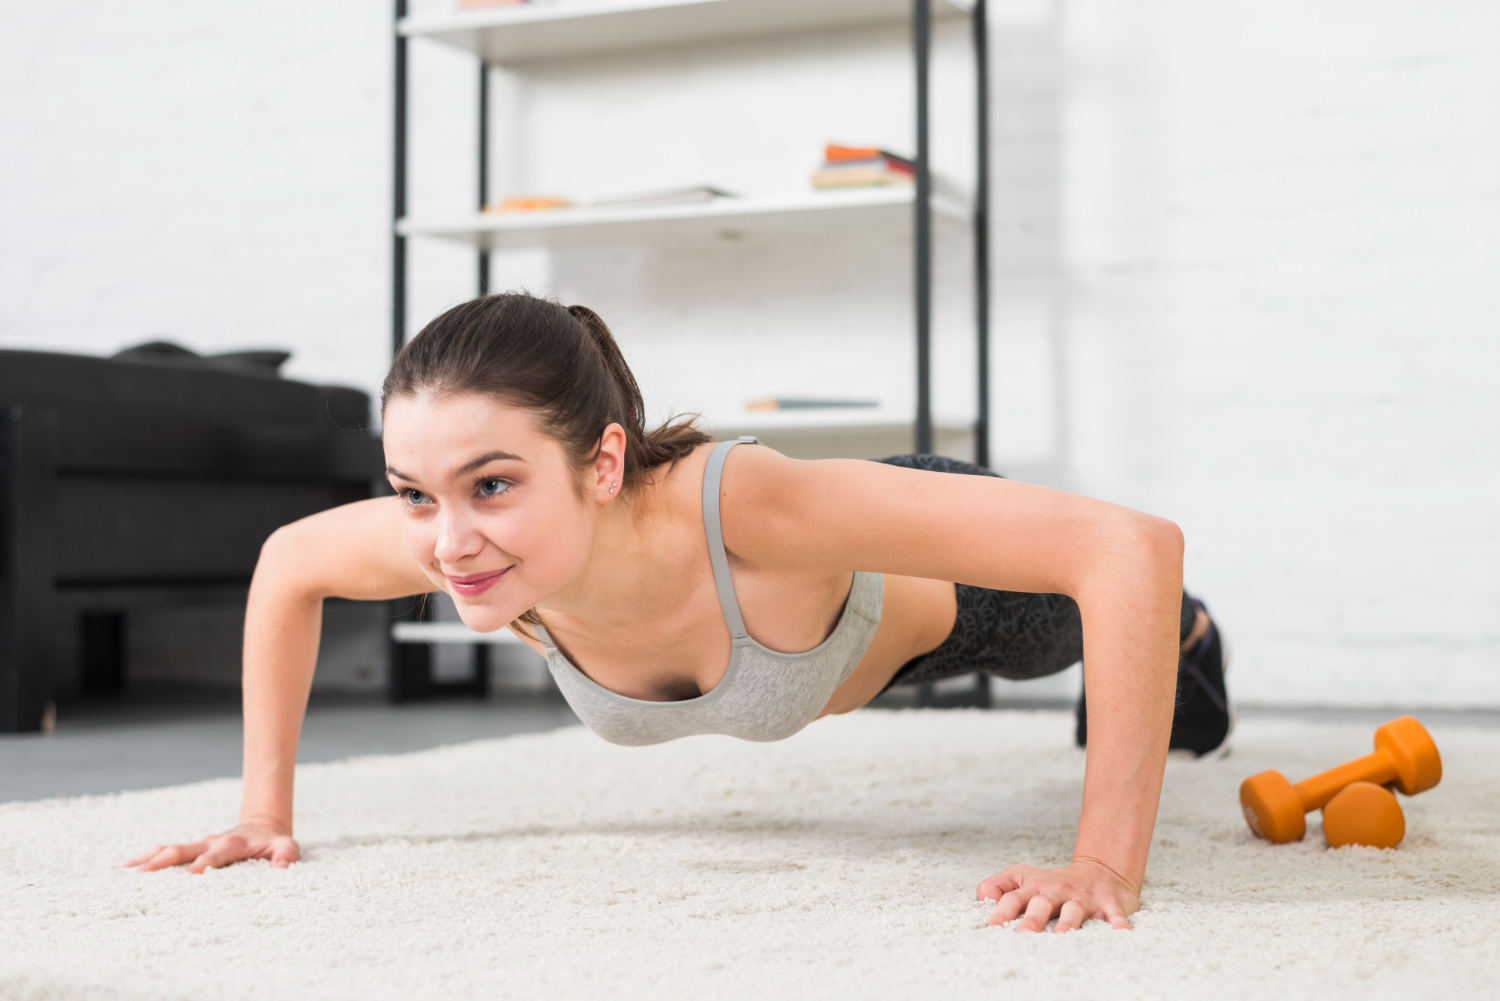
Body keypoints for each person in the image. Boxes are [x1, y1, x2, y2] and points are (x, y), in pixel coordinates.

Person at [127, 293, 1230, 933]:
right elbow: (287, 563)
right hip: (850, 658)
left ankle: (1189, 639)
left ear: (603, 460)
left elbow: (1129, 543)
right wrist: (264, 810)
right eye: (415, 489)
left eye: (493, 483)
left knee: (1114, 612)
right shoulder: (468, 548)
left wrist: (1103, 865)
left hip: (972, 610)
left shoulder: (747, 504)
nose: (447, 539)